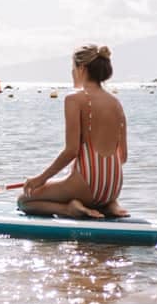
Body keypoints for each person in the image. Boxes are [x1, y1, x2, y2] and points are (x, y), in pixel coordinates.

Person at [18, 44, 128, 218]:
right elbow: (123, 157)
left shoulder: (74, 100)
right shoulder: (116, 103)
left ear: (82, 68)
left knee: (24, 200)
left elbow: (71, 151)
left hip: (86, 185)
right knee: (75, 186)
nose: (72, 72)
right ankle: (108, 205)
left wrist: (41, 179)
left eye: (73, 68)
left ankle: (69, 209)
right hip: (114, 187)